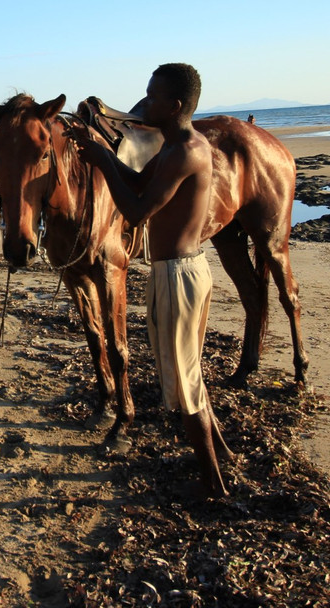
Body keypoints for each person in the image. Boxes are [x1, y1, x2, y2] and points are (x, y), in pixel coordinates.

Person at [72, 62, 233, 498]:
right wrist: (101, 151)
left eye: (152, 95)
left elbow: (139, 210)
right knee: (189, 374)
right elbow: (141, 181)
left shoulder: (186, 151)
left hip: (179, 274)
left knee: (185, 383)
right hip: (175, 271)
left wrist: (103, 159)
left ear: (175, 105)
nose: (144, 102)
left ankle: (211, 484)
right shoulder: (176, 144)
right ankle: (220, 457)